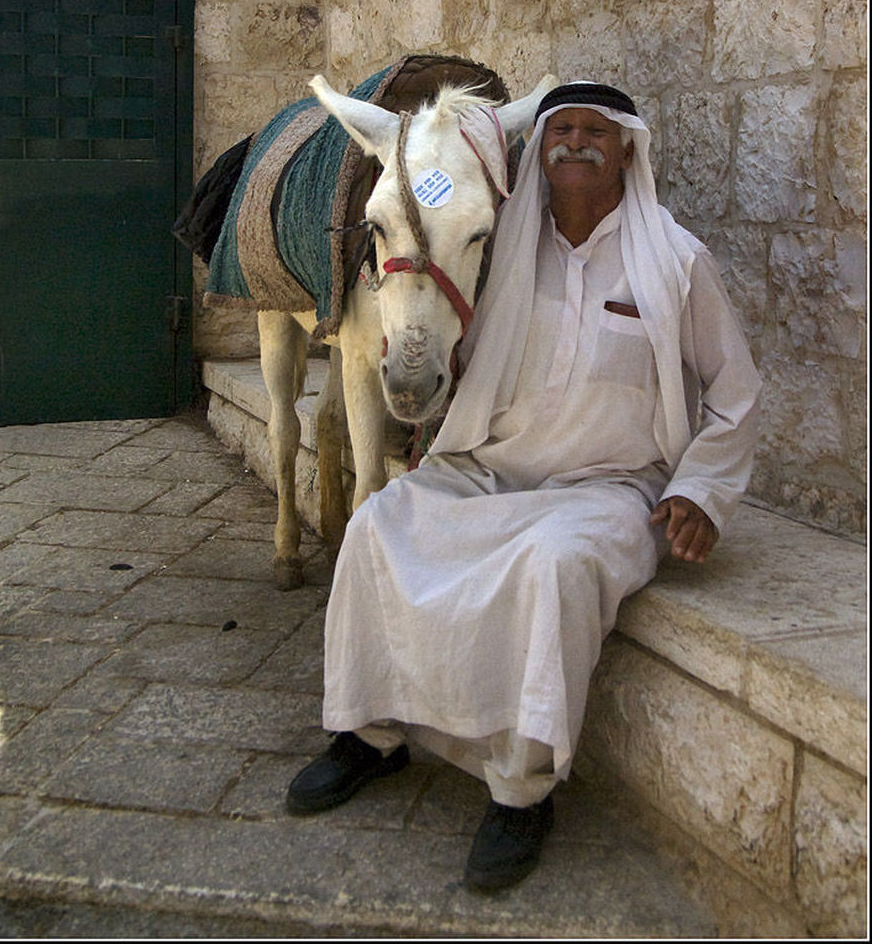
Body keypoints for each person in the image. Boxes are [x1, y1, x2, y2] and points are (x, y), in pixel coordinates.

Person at [285, 82, 761, 891]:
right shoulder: (501, 254)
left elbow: (736, 389)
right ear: (538, 151)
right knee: (377, 525)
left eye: (595, 132)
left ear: (627, 150)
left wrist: (702, 491)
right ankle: (369, 736)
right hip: (490, 467)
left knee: (555, 564)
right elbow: (427, 261)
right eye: (560, 129)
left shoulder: (676, 261)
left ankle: (520, 790)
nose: (575, 142)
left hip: (605, 491)